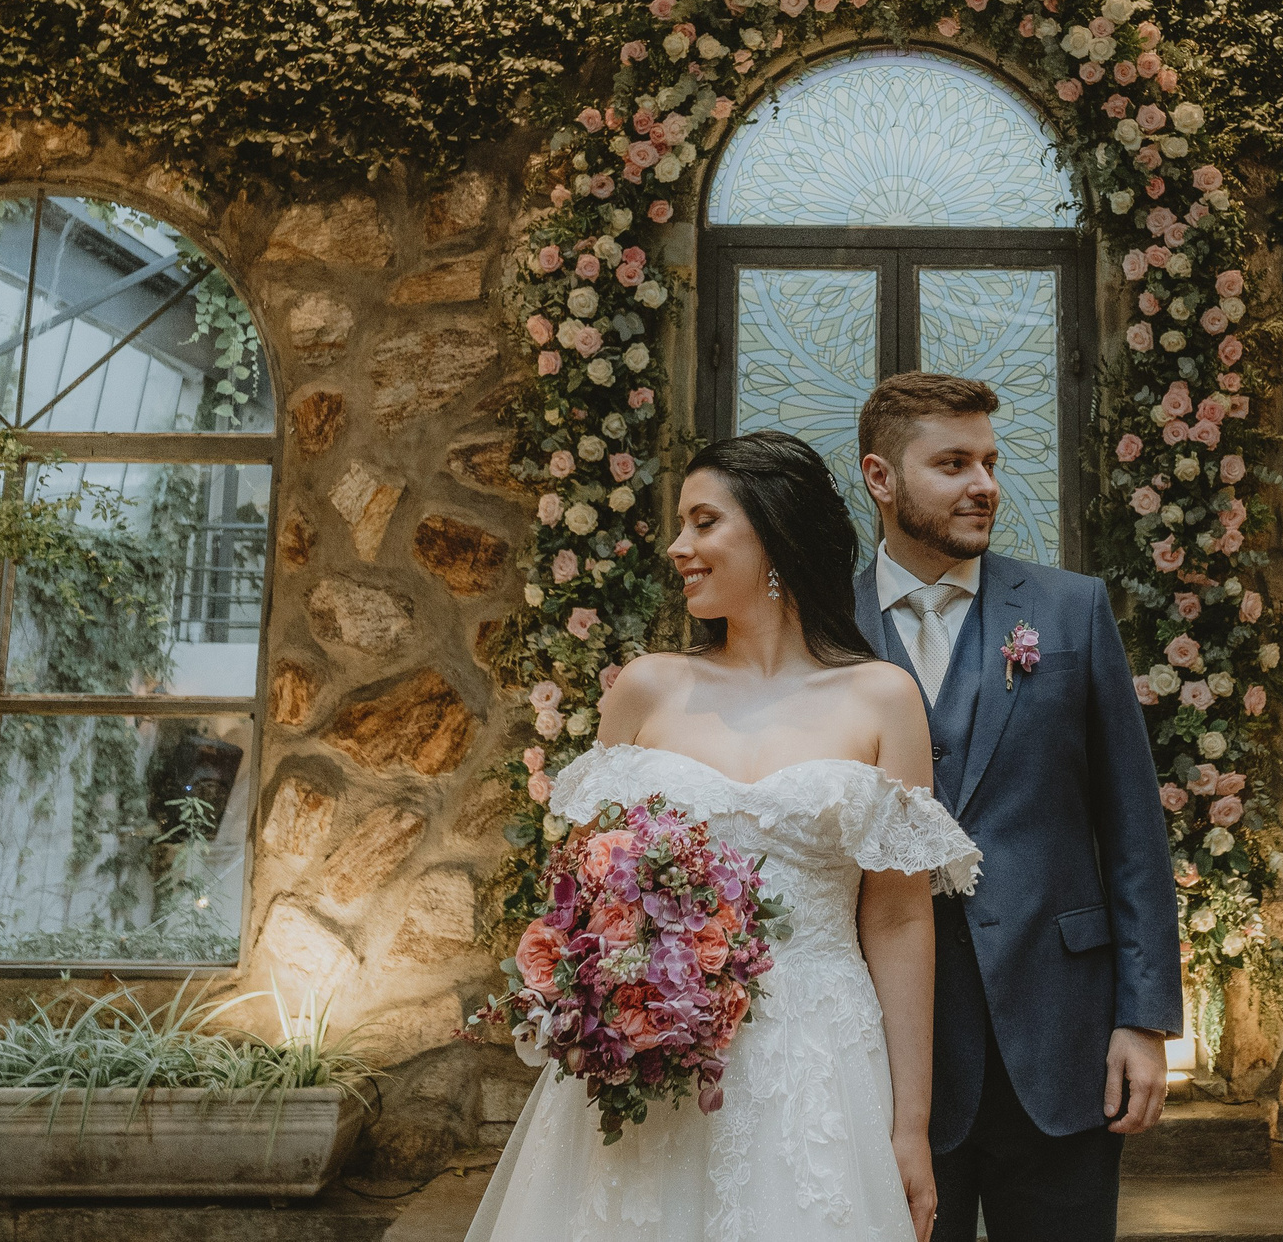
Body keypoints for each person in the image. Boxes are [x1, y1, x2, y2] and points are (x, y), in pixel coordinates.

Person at [465, 429, 981, 1242]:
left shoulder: (883, 698)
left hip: (817, 1059)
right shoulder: (646, 688)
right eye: (682, 524)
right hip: (656, 1064)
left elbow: (898, 917)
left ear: (774, 535)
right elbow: (587, 891)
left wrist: (909, 1126)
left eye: (703, 522)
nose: (680, 546)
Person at [854, 373, 1181, 1242]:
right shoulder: (825, 633)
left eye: (991, 463)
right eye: (953, 463)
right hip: (884, 1058)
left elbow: (1132, 828)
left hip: (1064, 1038)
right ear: (880, 477)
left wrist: (1143, 1018)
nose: (985, 485)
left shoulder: (1072, 609)